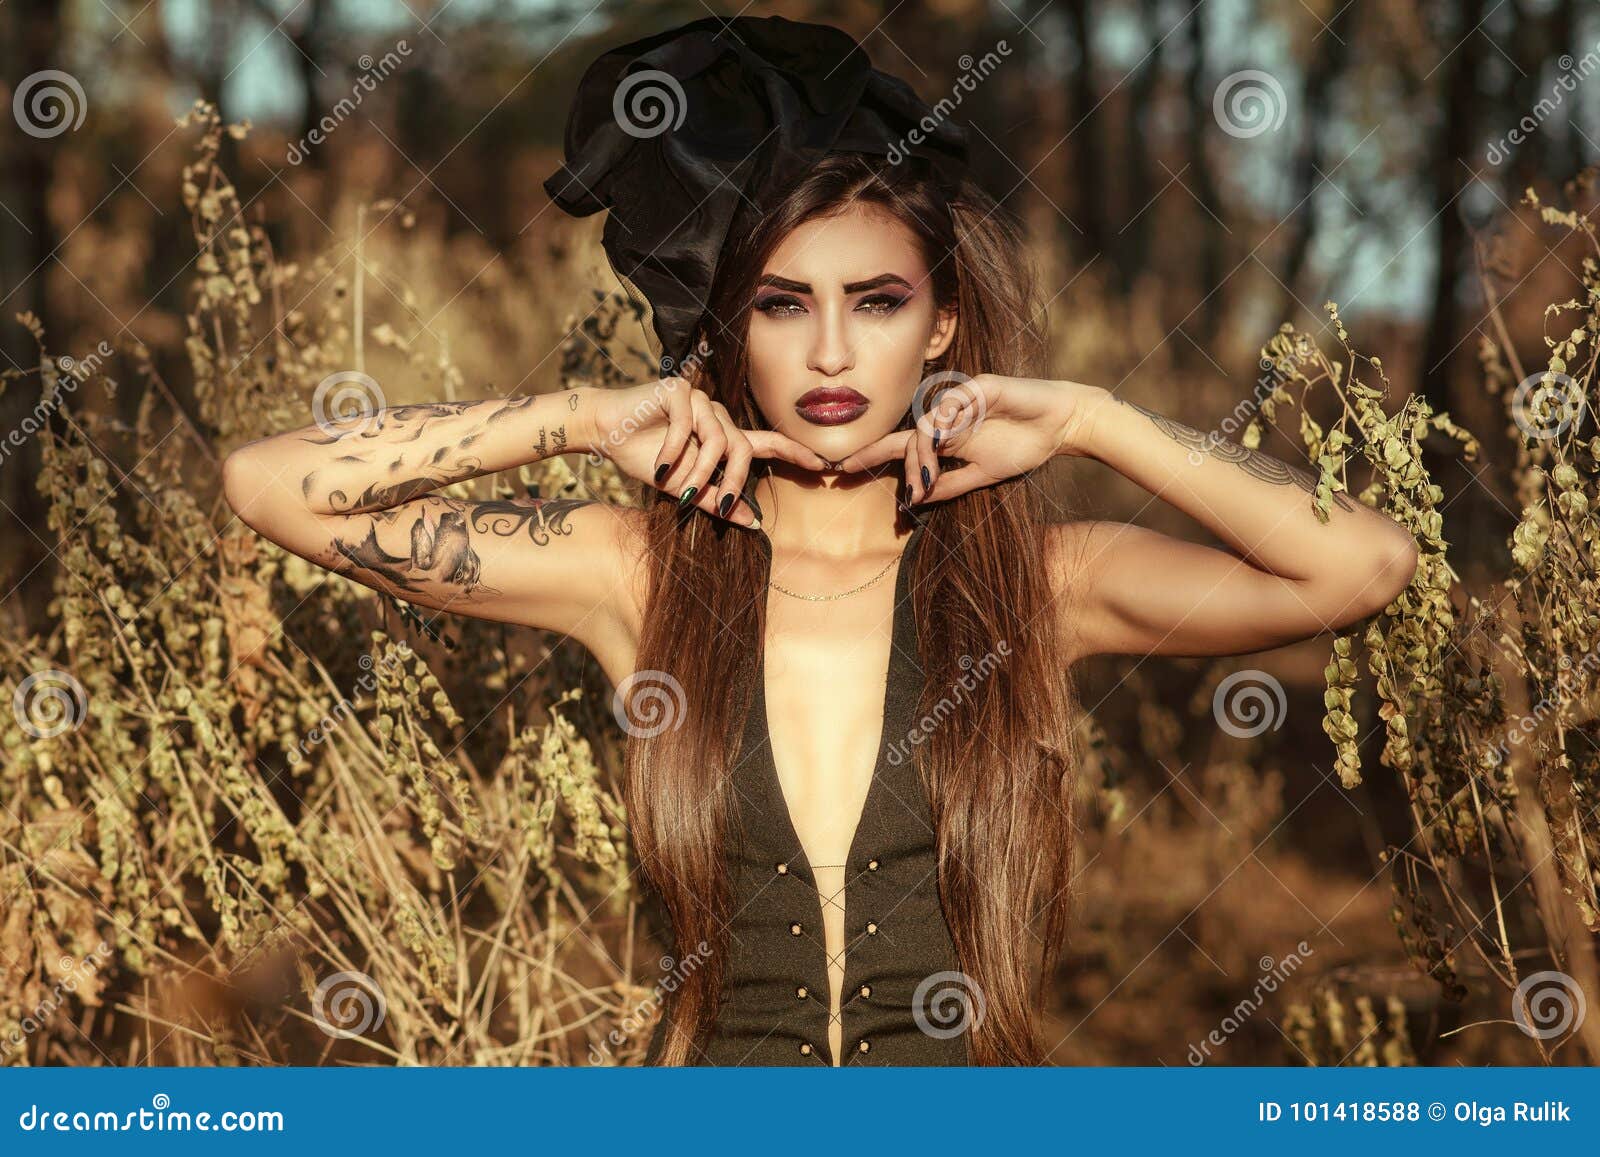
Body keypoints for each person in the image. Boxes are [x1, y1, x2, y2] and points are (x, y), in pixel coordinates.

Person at [222, 15, 1419, 1067]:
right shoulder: (634, 570)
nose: (834, 354)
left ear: (941, 321)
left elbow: (1363, 563)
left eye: (878, 301)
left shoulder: (1041, 585)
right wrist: (581, 419)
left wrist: (1090, 419)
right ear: (729, 332)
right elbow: (273, 485)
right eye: (783, 305)